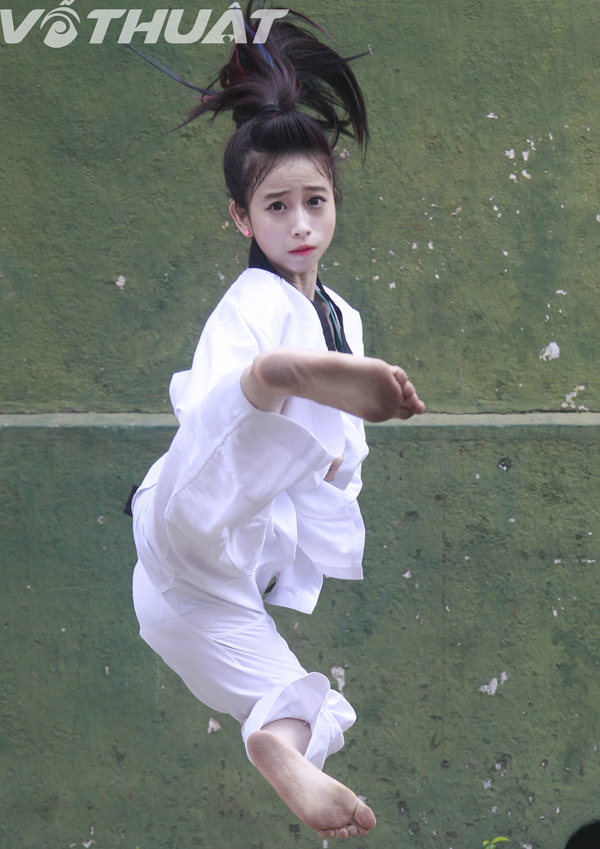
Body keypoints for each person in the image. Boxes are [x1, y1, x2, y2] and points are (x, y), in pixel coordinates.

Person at [129, 1, 425, 839]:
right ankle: (279, 378)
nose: (300, 224)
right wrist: (290, 383)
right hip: (192, 513)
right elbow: (206, 414)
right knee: (233, 416)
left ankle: (274, 748)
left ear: (336, 203)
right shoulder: (253, 300)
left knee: (308, 708)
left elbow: (340, 468)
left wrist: (334, 452)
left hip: (199, 593)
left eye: (316, 202)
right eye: (277, 206)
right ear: (242, 217)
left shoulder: (344, 316)